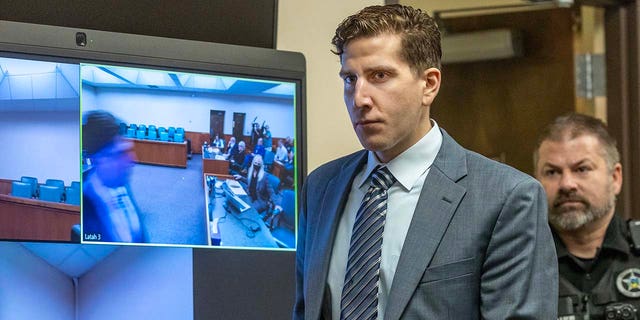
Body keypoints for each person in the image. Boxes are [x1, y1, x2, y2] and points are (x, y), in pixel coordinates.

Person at [294, 4, 557, 319]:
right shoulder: (322, 187)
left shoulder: (507, 198)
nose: (360, 98)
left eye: (380, 75)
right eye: (350, 79)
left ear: (429, 85)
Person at [534, 113, 638, 319]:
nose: (566, 184)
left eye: (581, 169)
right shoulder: (522, 261)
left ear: (615, 178)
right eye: (552, 172)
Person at [82, 110, 147, 243]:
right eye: (119, 154)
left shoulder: (121, 183)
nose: (132, 160)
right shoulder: (84, 208)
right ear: (95, 159)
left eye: (128, 150)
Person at [234, 154, 282, 219]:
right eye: (255, 163)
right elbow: (250, 183)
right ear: (253, 162)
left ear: (261, 165)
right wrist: (241, 178)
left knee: (249, 212)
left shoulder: (264, 176)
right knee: (240, 206)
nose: (257, 165)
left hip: (260, 200)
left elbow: (271, 191)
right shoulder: (251, 171)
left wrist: (277, 204)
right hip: (250, 195)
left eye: (259, 164)